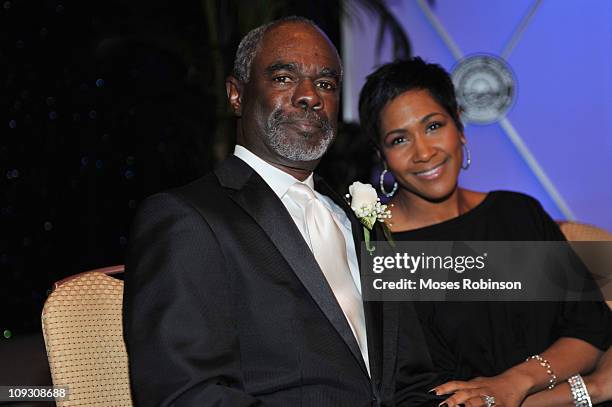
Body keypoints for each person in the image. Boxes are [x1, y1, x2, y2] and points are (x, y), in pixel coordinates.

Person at [123, 18, 439, 406]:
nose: (310, 96)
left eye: (325, 84)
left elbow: (411, 379)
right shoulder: (187, 219)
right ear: (236, 95)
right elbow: (184, 394)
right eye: (285, 78)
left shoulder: (358, 221)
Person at [358, 57, 612, 407]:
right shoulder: (377, 250)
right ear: (382, 156)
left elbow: (590, 328)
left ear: (459, 126)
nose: (424, 152)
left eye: (433, 126)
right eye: (399, 139)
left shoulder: (517, 214)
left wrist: (515, 382)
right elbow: (423, 394)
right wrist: (588, 389)